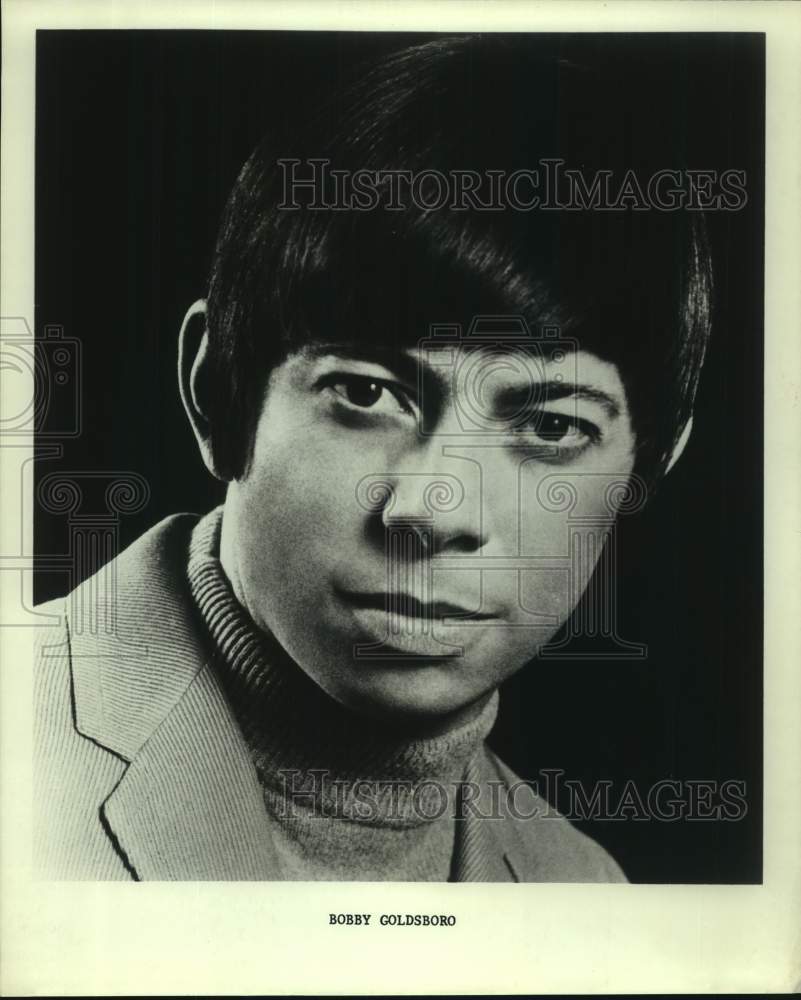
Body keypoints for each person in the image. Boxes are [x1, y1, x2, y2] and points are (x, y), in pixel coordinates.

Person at [34, 35, 712, 881]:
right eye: (365, 393)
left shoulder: (583, 888)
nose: (438, 510)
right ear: (215, 393)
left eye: (548, 429)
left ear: (647, 470)